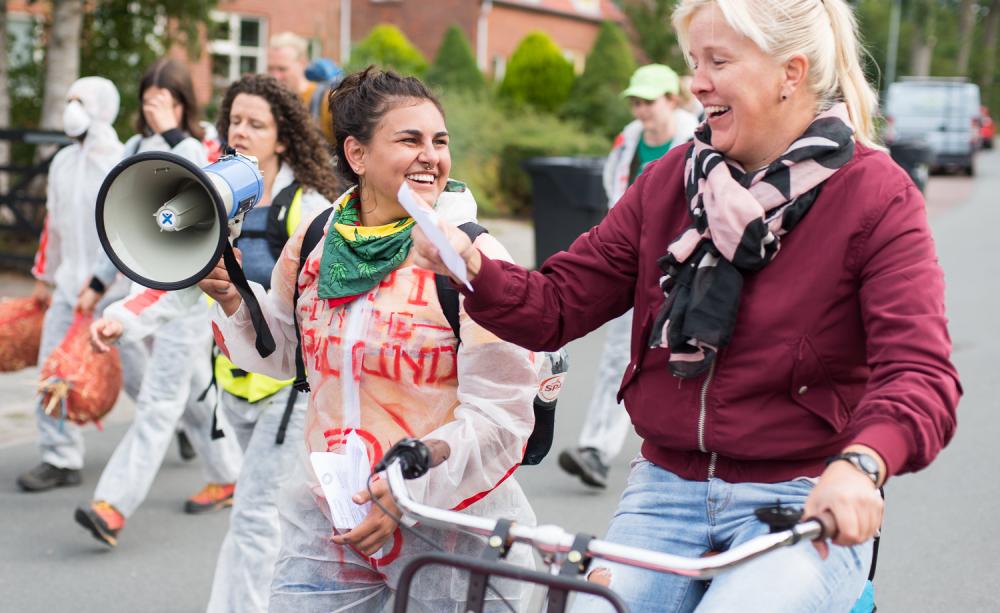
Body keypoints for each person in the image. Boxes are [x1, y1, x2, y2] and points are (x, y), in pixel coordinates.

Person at [412, 1, 961, 611]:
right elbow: (558, 305)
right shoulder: (671, 179)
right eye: (694, 61)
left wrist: (861, 465)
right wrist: (477, 270)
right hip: (664, 493)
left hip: (802, 498)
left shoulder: (876, 194)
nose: (696, 82)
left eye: (718, 61)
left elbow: (919, 373)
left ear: (791, 73)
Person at [199, 67, 539, 612]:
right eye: (410, 140)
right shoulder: (314, 243)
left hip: (451, 530)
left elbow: (502, 416)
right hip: (329, 524)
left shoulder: (472, 259)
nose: (431, 155)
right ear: (357, 155)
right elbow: (288, 354)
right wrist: (233, 296)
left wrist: (409, 492)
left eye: (440, 141)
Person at [71, 59, 245, 547]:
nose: (153, 106)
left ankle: (112, 506)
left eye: (164, 98)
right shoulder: (131, 149)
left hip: (182, 301)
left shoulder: (198, 147)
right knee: (194, 394)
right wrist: (98, 281)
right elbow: (122, 229)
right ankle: (229, 473)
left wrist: (171, 134)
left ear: (182, 102)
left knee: (158, 403)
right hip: (138, 296)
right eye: (148, 97)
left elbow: (209, 218)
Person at [559, 63, 699, 489]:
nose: (640, 111)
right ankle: (595, 450)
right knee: (619, 355)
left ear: (672, 101)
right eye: (635, 102)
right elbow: (614, 191)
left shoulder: (698, 140)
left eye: (648, 102)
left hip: (689, 267)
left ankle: (690, 445)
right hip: (638, 262)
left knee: (687, 355)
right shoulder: (629, 140)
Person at [16, 77, 148, 493]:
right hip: (68, 286)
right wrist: (45, 277)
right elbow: (53, 226)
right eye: (68, 98)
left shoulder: (118, 160)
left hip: (111, 290)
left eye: (80, 101)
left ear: (101, 108)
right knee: (51, 368)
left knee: (136, 373)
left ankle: (177, 417)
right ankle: (60, 455)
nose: (70, 108)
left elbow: (126, 226)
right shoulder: (63, 162)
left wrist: (104, 282)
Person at [268, 31, 336, 143]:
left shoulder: (325, 101)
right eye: (270, 68)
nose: (275, 76)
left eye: (282, 69)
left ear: (303, 63)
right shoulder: (268, 100)